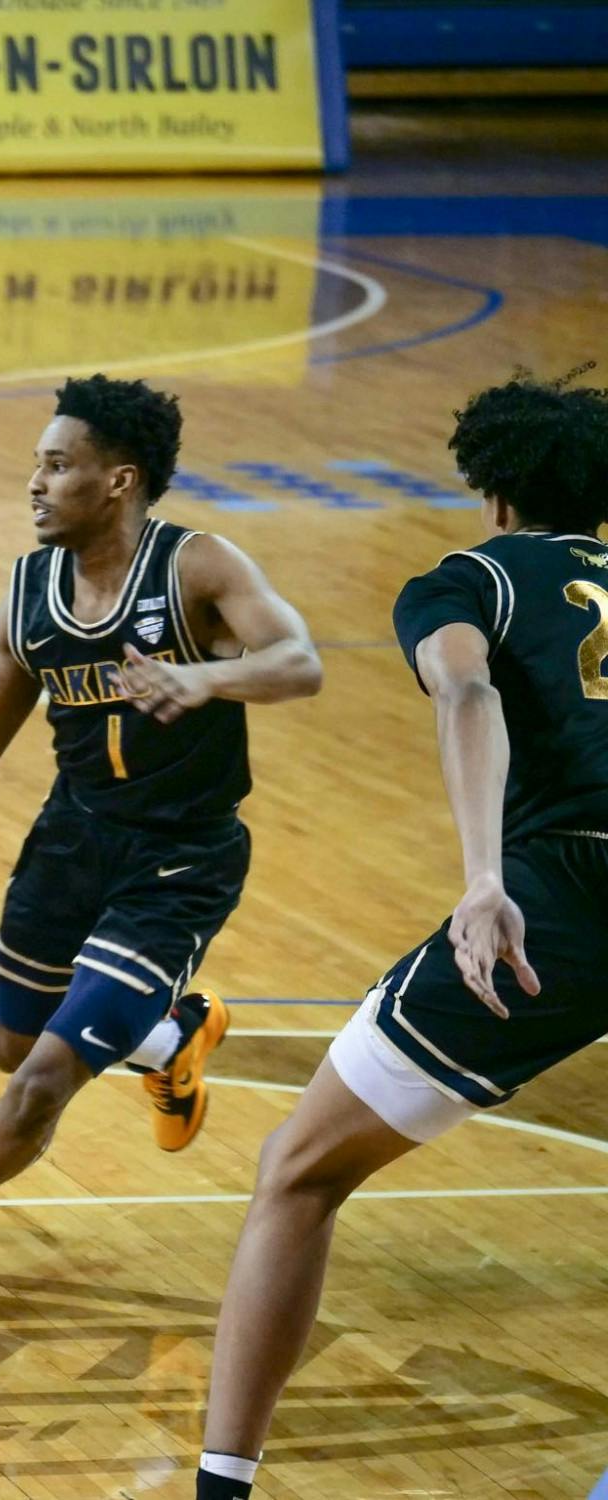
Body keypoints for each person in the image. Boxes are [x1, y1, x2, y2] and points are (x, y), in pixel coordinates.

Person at [0, 374, 322, 1310]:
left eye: (56, 465)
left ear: (118, 480)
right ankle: (170, 1036)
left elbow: (300, 662)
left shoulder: (197, 567)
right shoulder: (29, 592)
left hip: (179, 862)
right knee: (16, 1048)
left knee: (44, 1082)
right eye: (36, 466)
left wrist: (205, 680)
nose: (35, 484)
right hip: (70, 844)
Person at [195, 369, 608, 1499]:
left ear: (493, 492)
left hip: (564, 897)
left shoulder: (468, 580)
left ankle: (221, 1486)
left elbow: (466, 693)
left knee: (297, 1172)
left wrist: (483, 880)